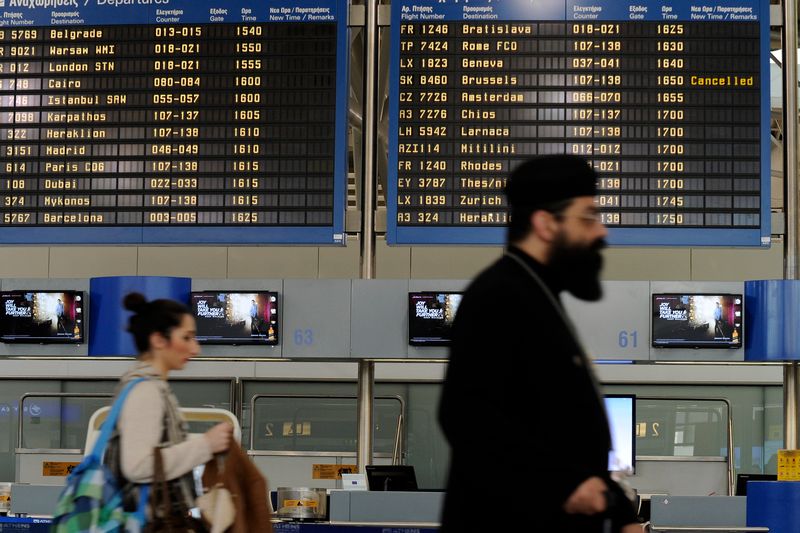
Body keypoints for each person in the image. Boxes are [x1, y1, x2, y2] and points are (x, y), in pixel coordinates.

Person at [438, 155, 640, 533]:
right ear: (546, 224)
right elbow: (468, 417)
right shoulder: (499, 296)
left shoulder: (538, 295)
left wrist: (622, 514)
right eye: (589, 217)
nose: (602, 232)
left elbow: (551, 436)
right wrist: (565, 484)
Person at [106, 293, 233, 524]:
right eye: (187, 338)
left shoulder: (147, 386)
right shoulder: (146, 391)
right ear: (158, 340)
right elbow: (137, 466)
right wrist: (206, 445)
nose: (196, 349)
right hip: (147, 522)